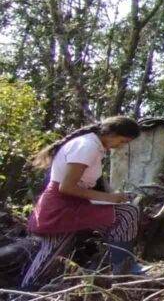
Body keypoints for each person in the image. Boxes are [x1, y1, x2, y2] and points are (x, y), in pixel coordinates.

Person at [21, 116, 144, 288]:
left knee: (126, 213)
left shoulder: (95, 146)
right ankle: (24, 294)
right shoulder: (87, 146)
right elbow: (66, 187)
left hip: (75, 203)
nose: (121, 145)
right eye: (122, 141)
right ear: (111, 133)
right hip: (61, 206)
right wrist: (109, 198)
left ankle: (123, 268)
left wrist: (112, 197)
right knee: (48, 259)